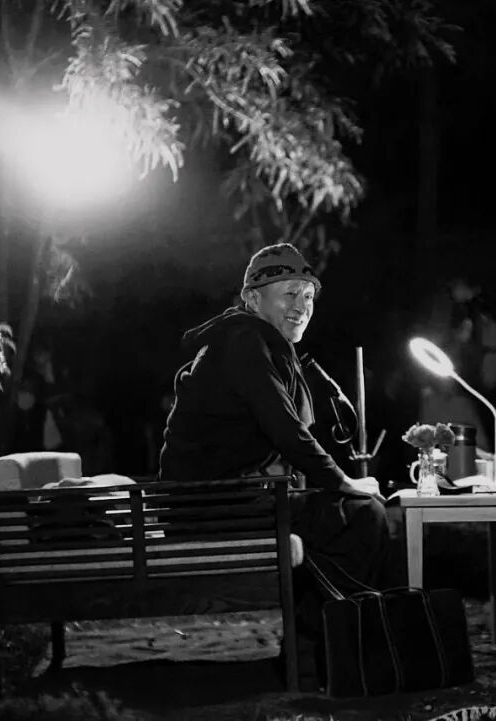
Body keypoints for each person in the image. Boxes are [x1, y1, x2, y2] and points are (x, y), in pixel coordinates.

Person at [157, 242, 396, 686]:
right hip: (207, 508)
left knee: (345, 516)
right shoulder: (244, 341)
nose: (302, 307)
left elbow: (277, 437)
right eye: (289, 294)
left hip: (218, 502)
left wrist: (328, 483)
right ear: (253, 298)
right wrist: (343, 481)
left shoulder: (252, 342)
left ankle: (319, 649)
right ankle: (323, 652)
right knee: (364, 515)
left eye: (308, 296)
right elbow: (285, 427)